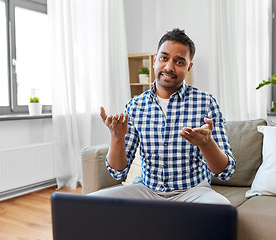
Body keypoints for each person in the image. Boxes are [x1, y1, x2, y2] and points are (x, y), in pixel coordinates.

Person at [91, 28, 236, 204]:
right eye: (164, 58)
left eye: (179, 62)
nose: (169, 67)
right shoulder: (135, 105)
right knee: (92, 203)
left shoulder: (206, 103)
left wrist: (206, 143)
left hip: (193, 191)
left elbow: (225, 172)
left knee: (222, 207)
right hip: (147, 190)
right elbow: (118, 172)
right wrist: (116, 137)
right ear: (154, 60)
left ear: (189, 67)